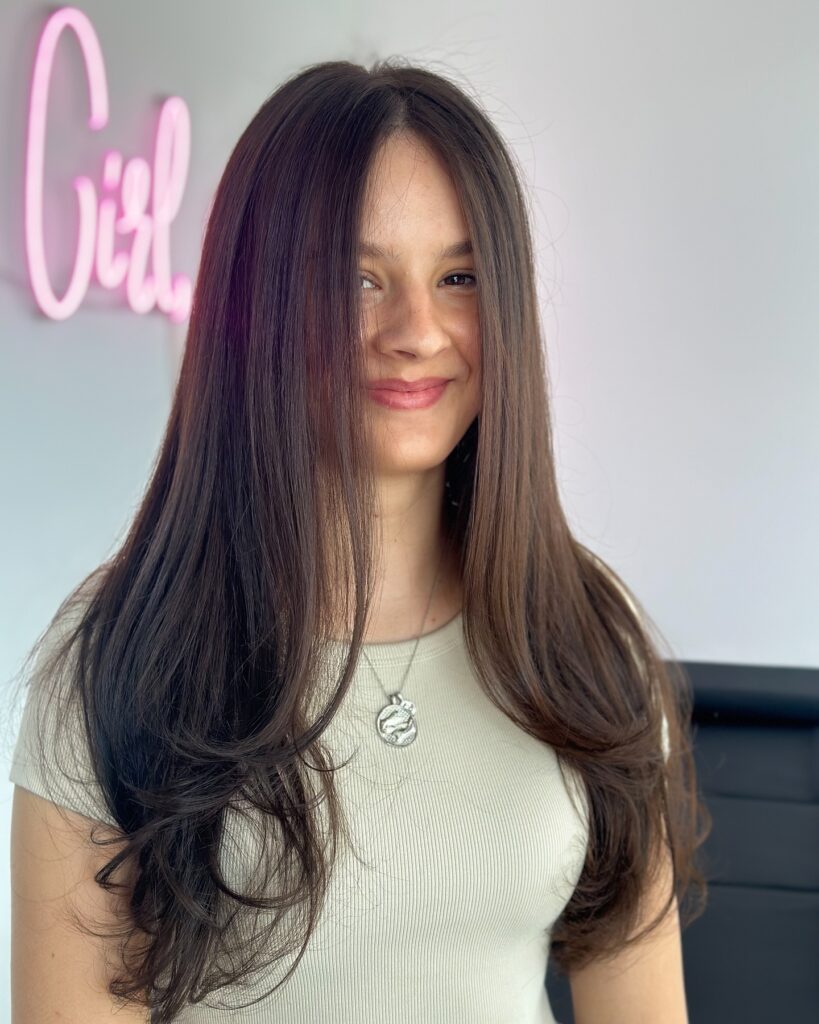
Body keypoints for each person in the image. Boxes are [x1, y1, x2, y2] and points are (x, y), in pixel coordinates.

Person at [8, 58, 708, 1024]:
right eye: (355, 278)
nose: (416, 331)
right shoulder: (116, 656)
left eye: (458, 276)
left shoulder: (588, 634)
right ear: (257, 309)